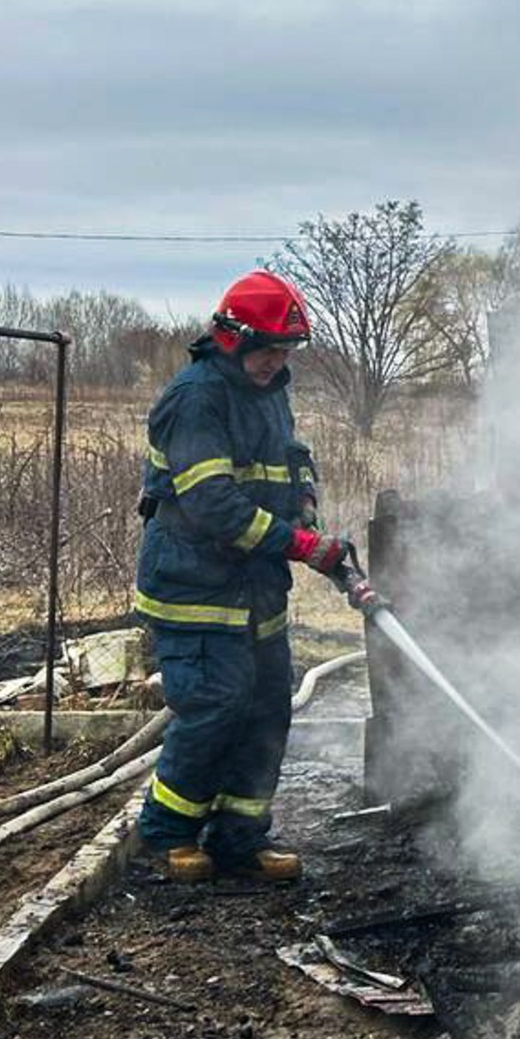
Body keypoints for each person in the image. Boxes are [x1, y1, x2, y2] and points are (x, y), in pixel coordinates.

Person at [131, 269, 354, 882]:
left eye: (286, 351)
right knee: (213, 708)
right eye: (268, 348)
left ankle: (240, 838)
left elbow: (291, 456)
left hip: (256, 591)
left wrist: (304, 501)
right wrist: (303, 546)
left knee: (265, 711)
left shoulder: (268, 390)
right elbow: (215, 506)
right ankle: (169, 834)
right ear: (231, 336)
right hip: (196, 589)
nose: (276, 361)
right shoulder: (196, 399)